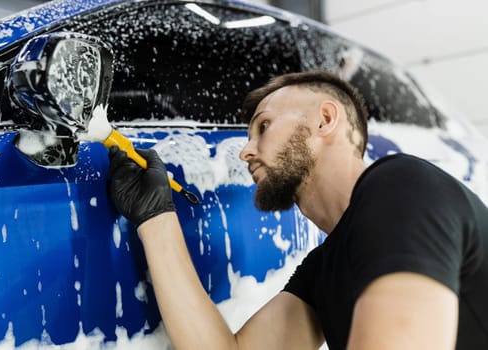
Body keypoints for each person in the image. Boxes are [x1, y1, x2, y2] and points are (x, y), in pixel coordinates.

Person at [107, 70, 488, 349]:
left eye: (265, 125)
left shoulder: (401, 188)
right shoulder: (323, 270)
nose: (245, 151)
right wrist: (156, 217)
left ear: (325, 119)